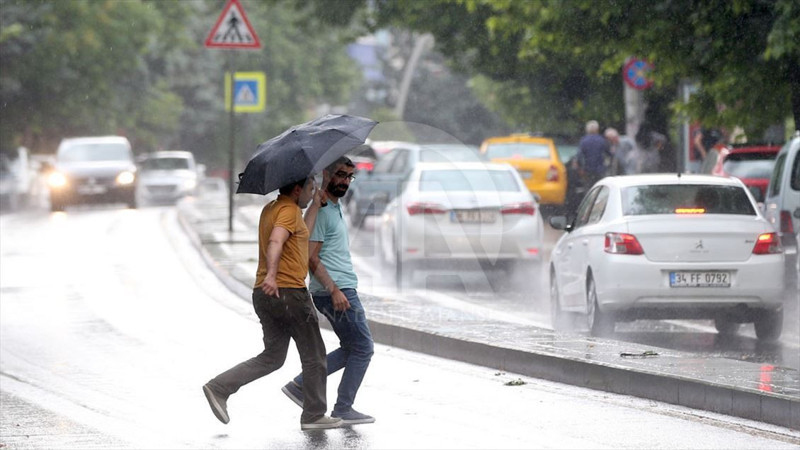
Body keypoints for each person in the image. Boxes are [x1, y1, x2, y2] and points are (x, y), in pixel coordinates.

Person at [202, 177, 343, 431]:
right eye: (310, 191)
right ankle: (314, 414)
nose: (312, 195)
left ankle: (219, 387)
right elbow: (276, 240)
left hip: (264, 295)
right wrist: (272, 275)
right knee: (314, 355)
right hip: (288, 292)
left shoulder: (272, 209)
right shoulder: (288, 211)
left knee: (272, 357)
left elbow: (301, 236)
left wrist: (315, 207)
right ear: (297, 189)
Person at [281, 156, 376, 425]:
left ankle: (301, 385)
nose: (345, 181)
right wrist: (334, 289)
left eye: (349, 176)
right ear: (326, 173)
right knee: (363, 347)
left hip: (339, 287)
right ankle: (342, 407)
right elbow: (311, 257)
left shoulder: (334, 207)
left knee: (352, 347)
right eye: (340, 174)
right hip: (335, 289)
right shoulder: (322, 210)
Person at [577, 120, 612, 187]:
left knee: (589, 188)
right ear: (597, 129)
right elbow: (609, 154)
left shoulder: (583, 141)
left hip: (588, 170)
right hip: (600, 169)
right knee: (600, 187)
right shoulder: (602, 140)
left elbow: (579, 156)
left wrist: (581, 168)